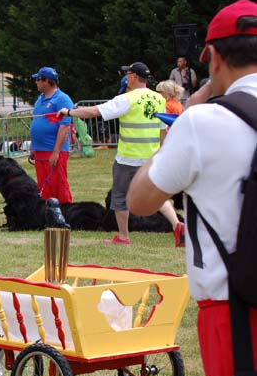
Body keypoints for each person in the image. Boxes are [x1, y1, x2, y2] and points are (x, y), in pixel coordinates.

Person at [127, 0, 257, 376]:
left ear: (214, 58)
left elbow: (140, 199)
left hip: (234, 309)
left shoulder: (203, 123)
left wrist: (194, 105)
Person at [58, 62, 183, 246]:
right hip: (150, 157)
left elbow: (94, 111)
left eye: (128, 74)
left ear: (133, 77)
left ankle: (123, 236)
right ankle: (178, 225)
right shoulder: (158, 98)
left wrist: (69, 111)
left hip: (128, 158)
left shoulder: (127, 98)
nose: (126, 77)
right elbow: (163, 129)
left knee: (119, 197)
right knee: (156, 195)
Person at [30, 67, 74, 203]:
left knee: (59, 185)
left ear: (47, 81)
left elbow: (64, 127)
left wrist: (56, 152)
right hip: (40, 150)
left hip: (53, 150)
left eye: (38, 79)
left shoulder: (62, 99)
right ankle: (48, 214)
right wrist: (33, 146)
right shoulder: (40, 98)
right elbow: (37, 121)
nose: (36, 82)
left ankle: (66, 212)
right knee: (44, 186)